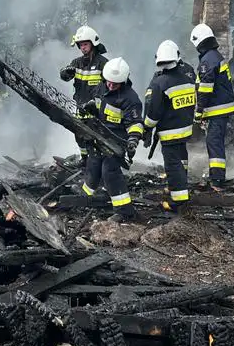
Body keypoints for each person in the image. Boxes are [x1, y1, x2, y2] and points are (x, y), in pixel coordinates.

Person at [79, 57, 143, 222]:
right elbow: (99, 102)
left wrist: (133, 141)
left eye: (115, 84)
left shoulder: (131, 99)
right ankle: (86, 196)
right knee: (93, 165)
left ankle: (124, 211)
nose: (111, 86)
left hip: (117, 140)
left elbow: (135, 124)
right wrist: (91, 106)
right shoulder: (102, 86)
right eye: (108, 82)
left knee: (110, 172)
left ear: (124, 80)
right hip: (99, 136)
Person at [143, 40, 196, 212]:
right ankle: (183, 186)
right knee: (182, 160)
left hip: (170, 133)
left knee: (172, 165)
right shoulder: (187, 79)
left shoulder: (160, 83)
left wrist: (147, 128)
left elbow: (154, 113)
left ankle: (178, 202)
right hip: (185, 129)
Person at [190, 23, 234, 189]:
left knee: (214, 142)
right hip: (221, 108)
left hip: (217, 109)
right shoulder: (214, 56)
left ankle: (217, 179)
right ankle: (217, 177)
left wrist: (199, 112)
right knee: (214, 141)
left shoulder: (207, 60)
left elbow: (205, 89)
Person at [59, 25, 108, 162]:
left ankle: (98, 161)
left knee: (96, 136)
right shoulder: (77, 63)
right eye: (80, 45)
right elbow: (66, 77)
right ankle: (85, 160)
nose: (83, 48)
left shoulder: (103, 63)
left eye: (85, 44)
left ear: (93, 44)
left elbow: (110, 86)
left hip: (97, 110)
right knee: (79, 135)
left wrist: (97, 103)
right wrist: (65, 73)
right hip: (80, 107)